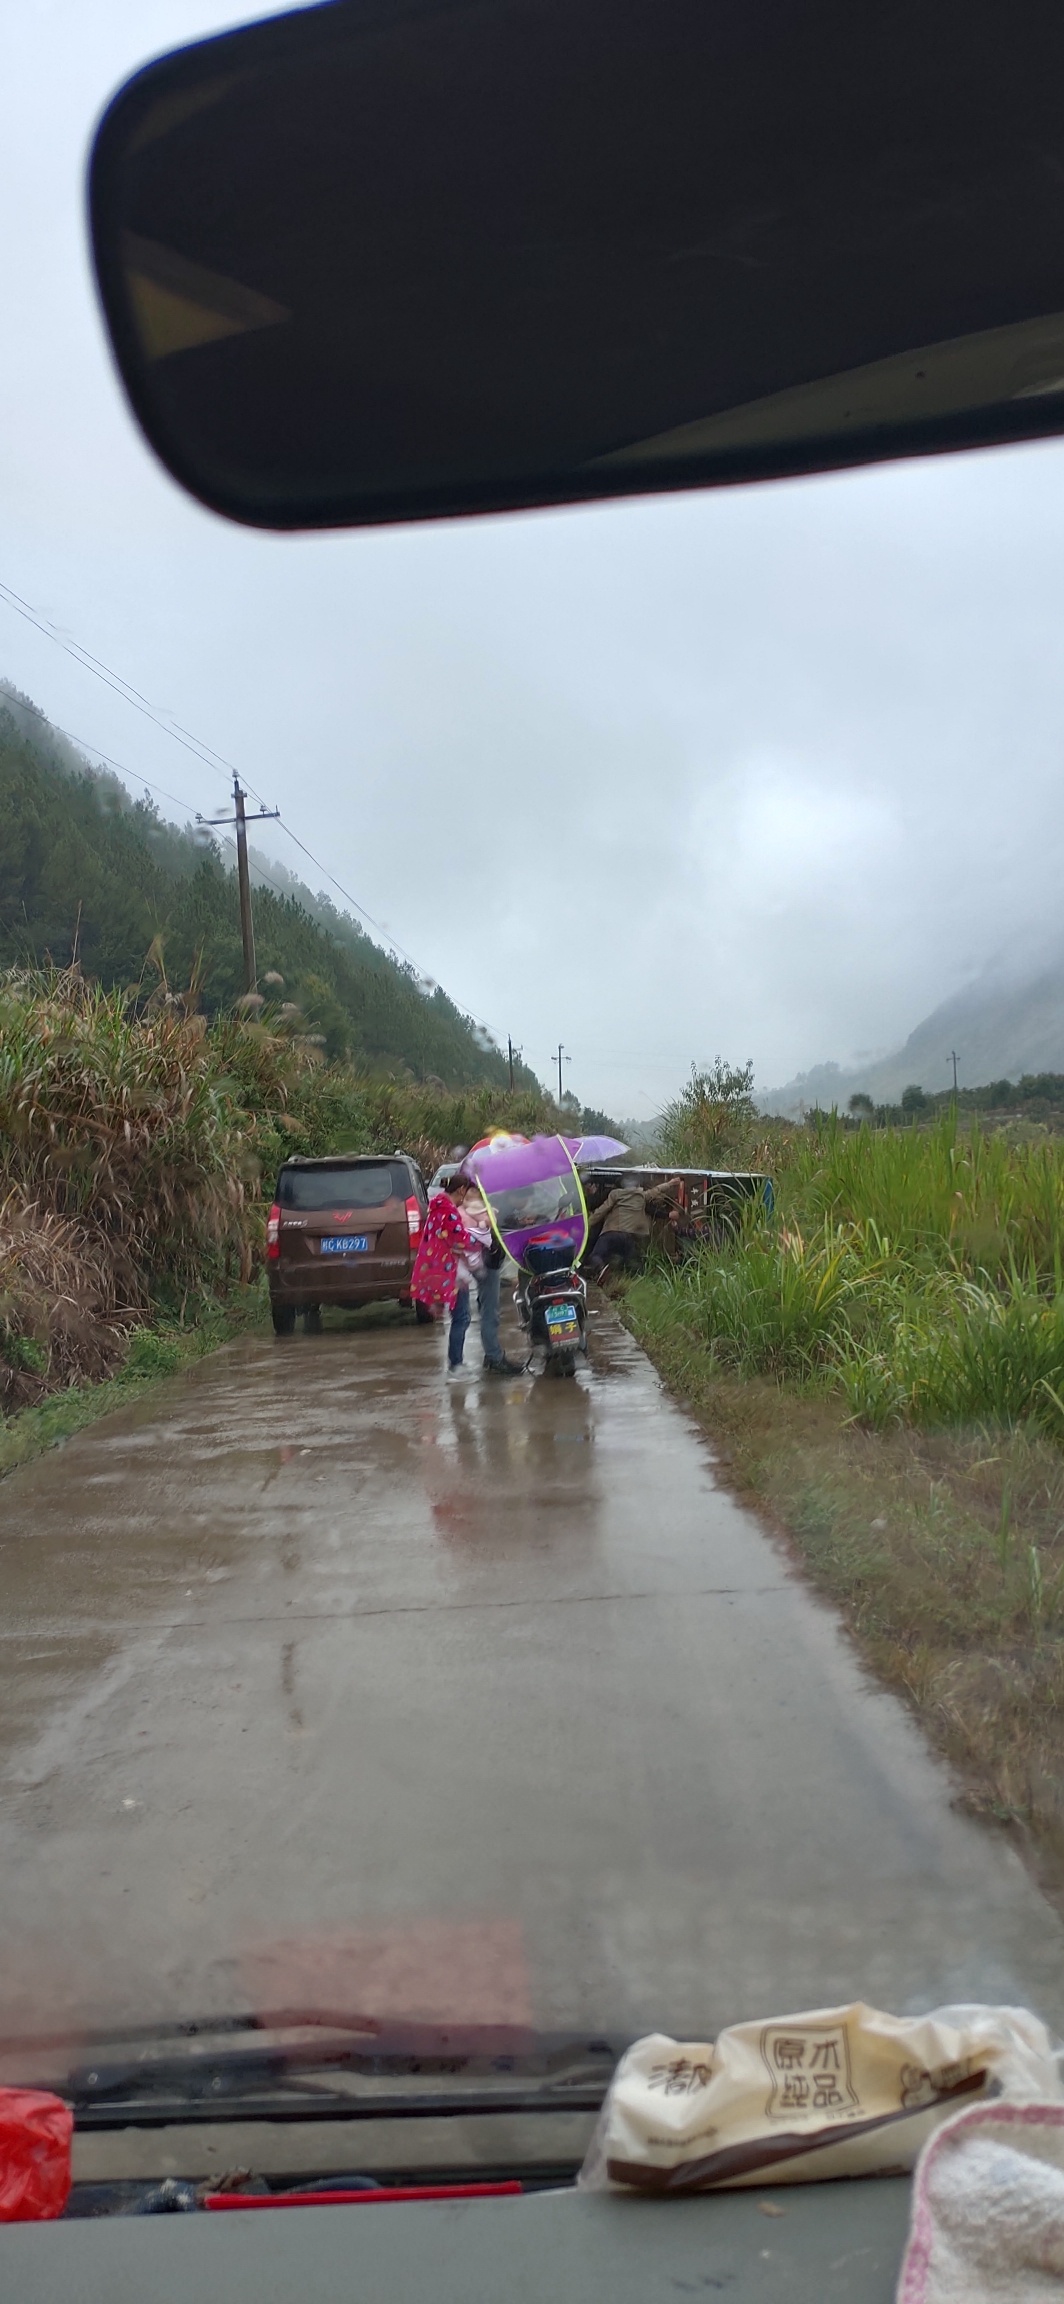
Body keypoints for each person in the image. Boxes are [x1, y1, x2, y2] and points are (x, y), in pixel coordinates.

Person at [452, 1181, 524, 1375]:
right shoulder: (489, 1201)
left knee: (470, 1313)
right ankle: (494, 1357)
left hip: (465, 1262)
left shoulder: (460, 1211)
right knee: (489, 1311)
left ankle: (463, 1362)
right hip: (485, 1262)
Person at [586, 1173, 651, 1278]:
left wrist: (586, 1225)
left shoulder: (615, 1194)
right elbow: (656, 1191)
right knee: (630, 1262)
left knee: (596, 1255)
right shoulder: (641, 1195)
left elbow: (601, 1211)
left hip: (611, 1233)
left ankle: (602, 1270)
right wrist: (670, 1183)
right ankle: (636, 1280)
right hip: (630, 1236)